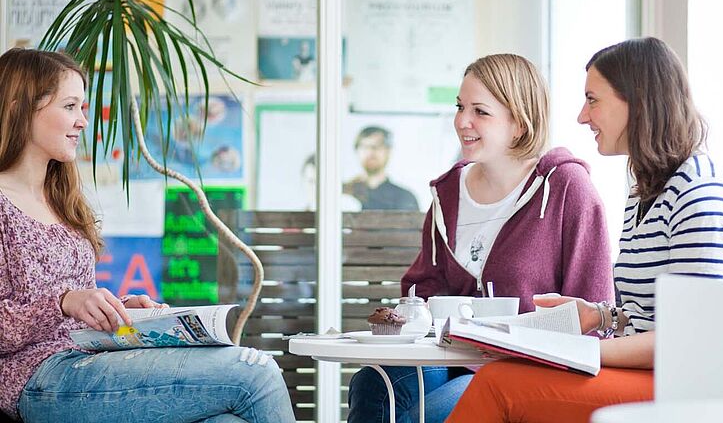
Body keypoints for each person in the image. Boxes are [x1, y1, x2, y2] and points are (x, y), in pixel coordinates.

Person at [447, 37, 723, 423]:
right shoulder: (646, 190)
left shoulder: (701, 193)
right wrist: (598, 318)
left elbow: (690, 340)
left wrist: (561, 349)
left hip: (694, 387)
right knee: (503, 378)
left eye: (593, 100)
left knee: (499, 384)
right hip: (658, 375)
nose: (582, 116)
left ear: (638, 101)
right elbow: (652, 317)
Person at [0, 48, 296, 423]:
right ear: (18, 108)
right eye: (70, 106)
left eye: (84, 108)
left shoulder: (63, 202)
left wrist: (120, 312)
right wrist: (63, 302)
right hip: (38, 380)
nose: (83, 122)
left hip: (87, 362)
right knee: (256, 372)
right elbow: (49, 310)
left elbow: (74, 313)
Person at [346, 54, 615, 423]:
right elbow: (422, 289)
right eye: (460, 107)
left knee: (425, 415)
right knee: (372, 384)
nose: (462, 121)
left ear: (518, 123)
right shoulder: (449, 193)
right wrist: (413, 312)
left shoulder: (568, 189)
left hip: (524, 367)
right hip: (448, 357)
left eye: (480, 111)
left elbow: (595, 306)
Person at [343, 126, 420, 211]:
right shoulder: (345, 193)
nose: (370, 152)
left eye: (377, 146)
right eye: (364, 146)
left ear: (388, 151)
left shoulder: (405, 198)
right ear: (357, 150)